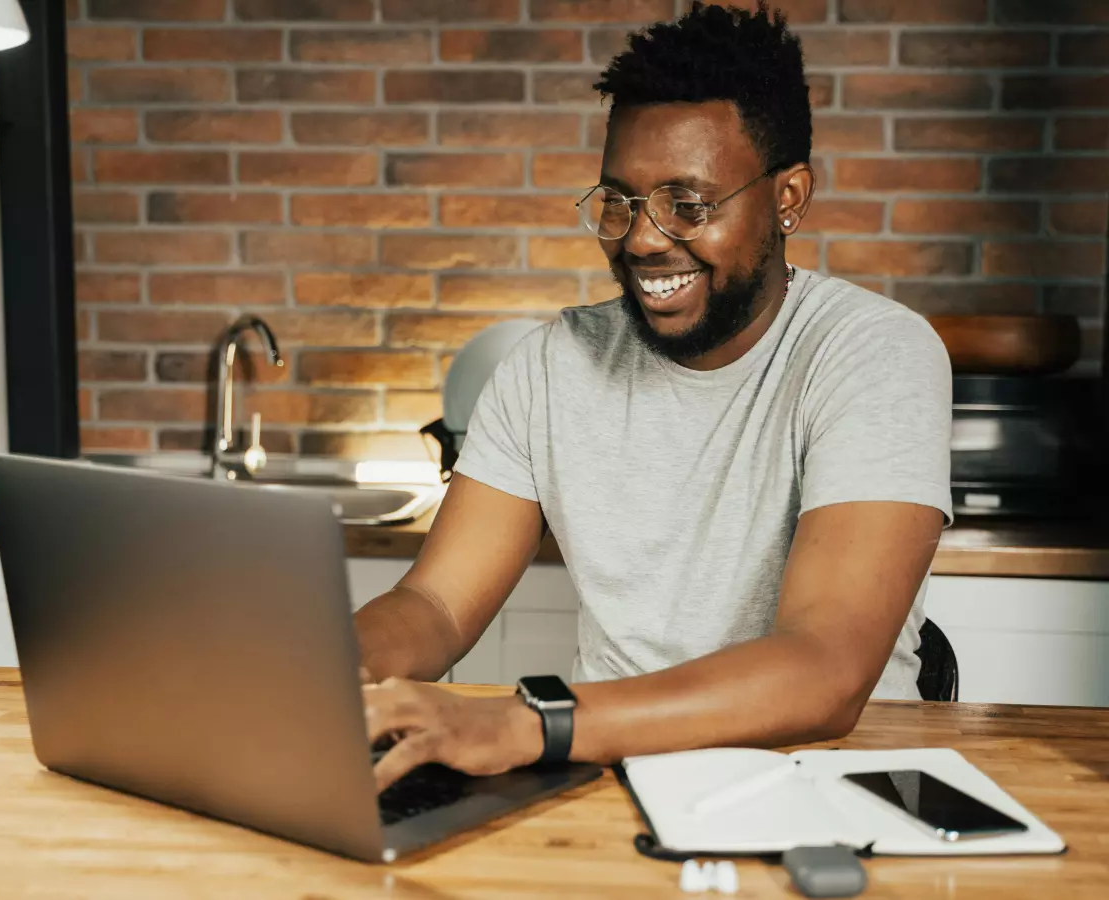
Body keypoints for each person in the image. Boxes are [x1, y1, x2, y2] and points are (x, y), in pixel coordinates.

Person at [357, 0, 952, 791]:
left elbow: (826, 670)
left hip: (828, 783)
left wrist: (531, 722)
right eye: (621, 201)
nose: (641, 238)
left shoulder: (872, 353)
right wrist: (321, 670)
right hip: (604, 777)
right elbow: (434, 603)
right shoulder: (549, 366)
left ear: (788, 198)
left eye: (688, 204)